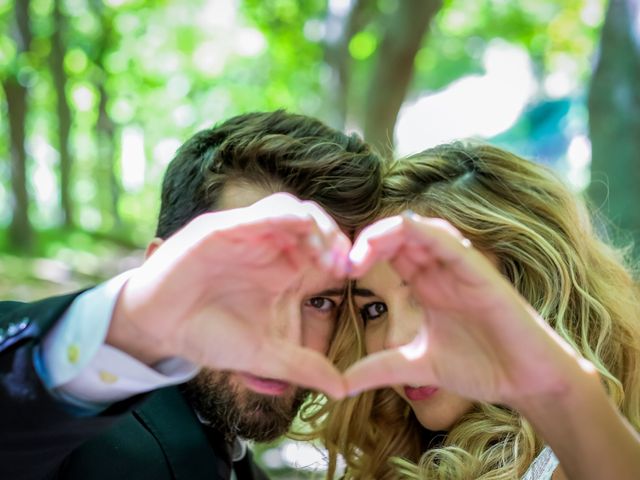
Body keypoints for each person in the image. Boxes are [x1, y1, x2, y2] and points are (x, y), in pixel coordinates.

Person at [0, 110, 383, 480]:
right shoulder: (81, 433)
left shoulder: (243, 466)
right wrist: (132, 320)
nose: (286, 336)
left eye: (320, 302)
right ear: (159, 270)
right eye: (247, 286)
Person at [311, 143, 640, 479]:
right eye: (375, 309)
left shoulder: (569, 465)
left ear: (525, 286)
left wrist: (558, 391)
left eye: (430, 295)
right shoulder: (394, 454)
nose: (395, 339)